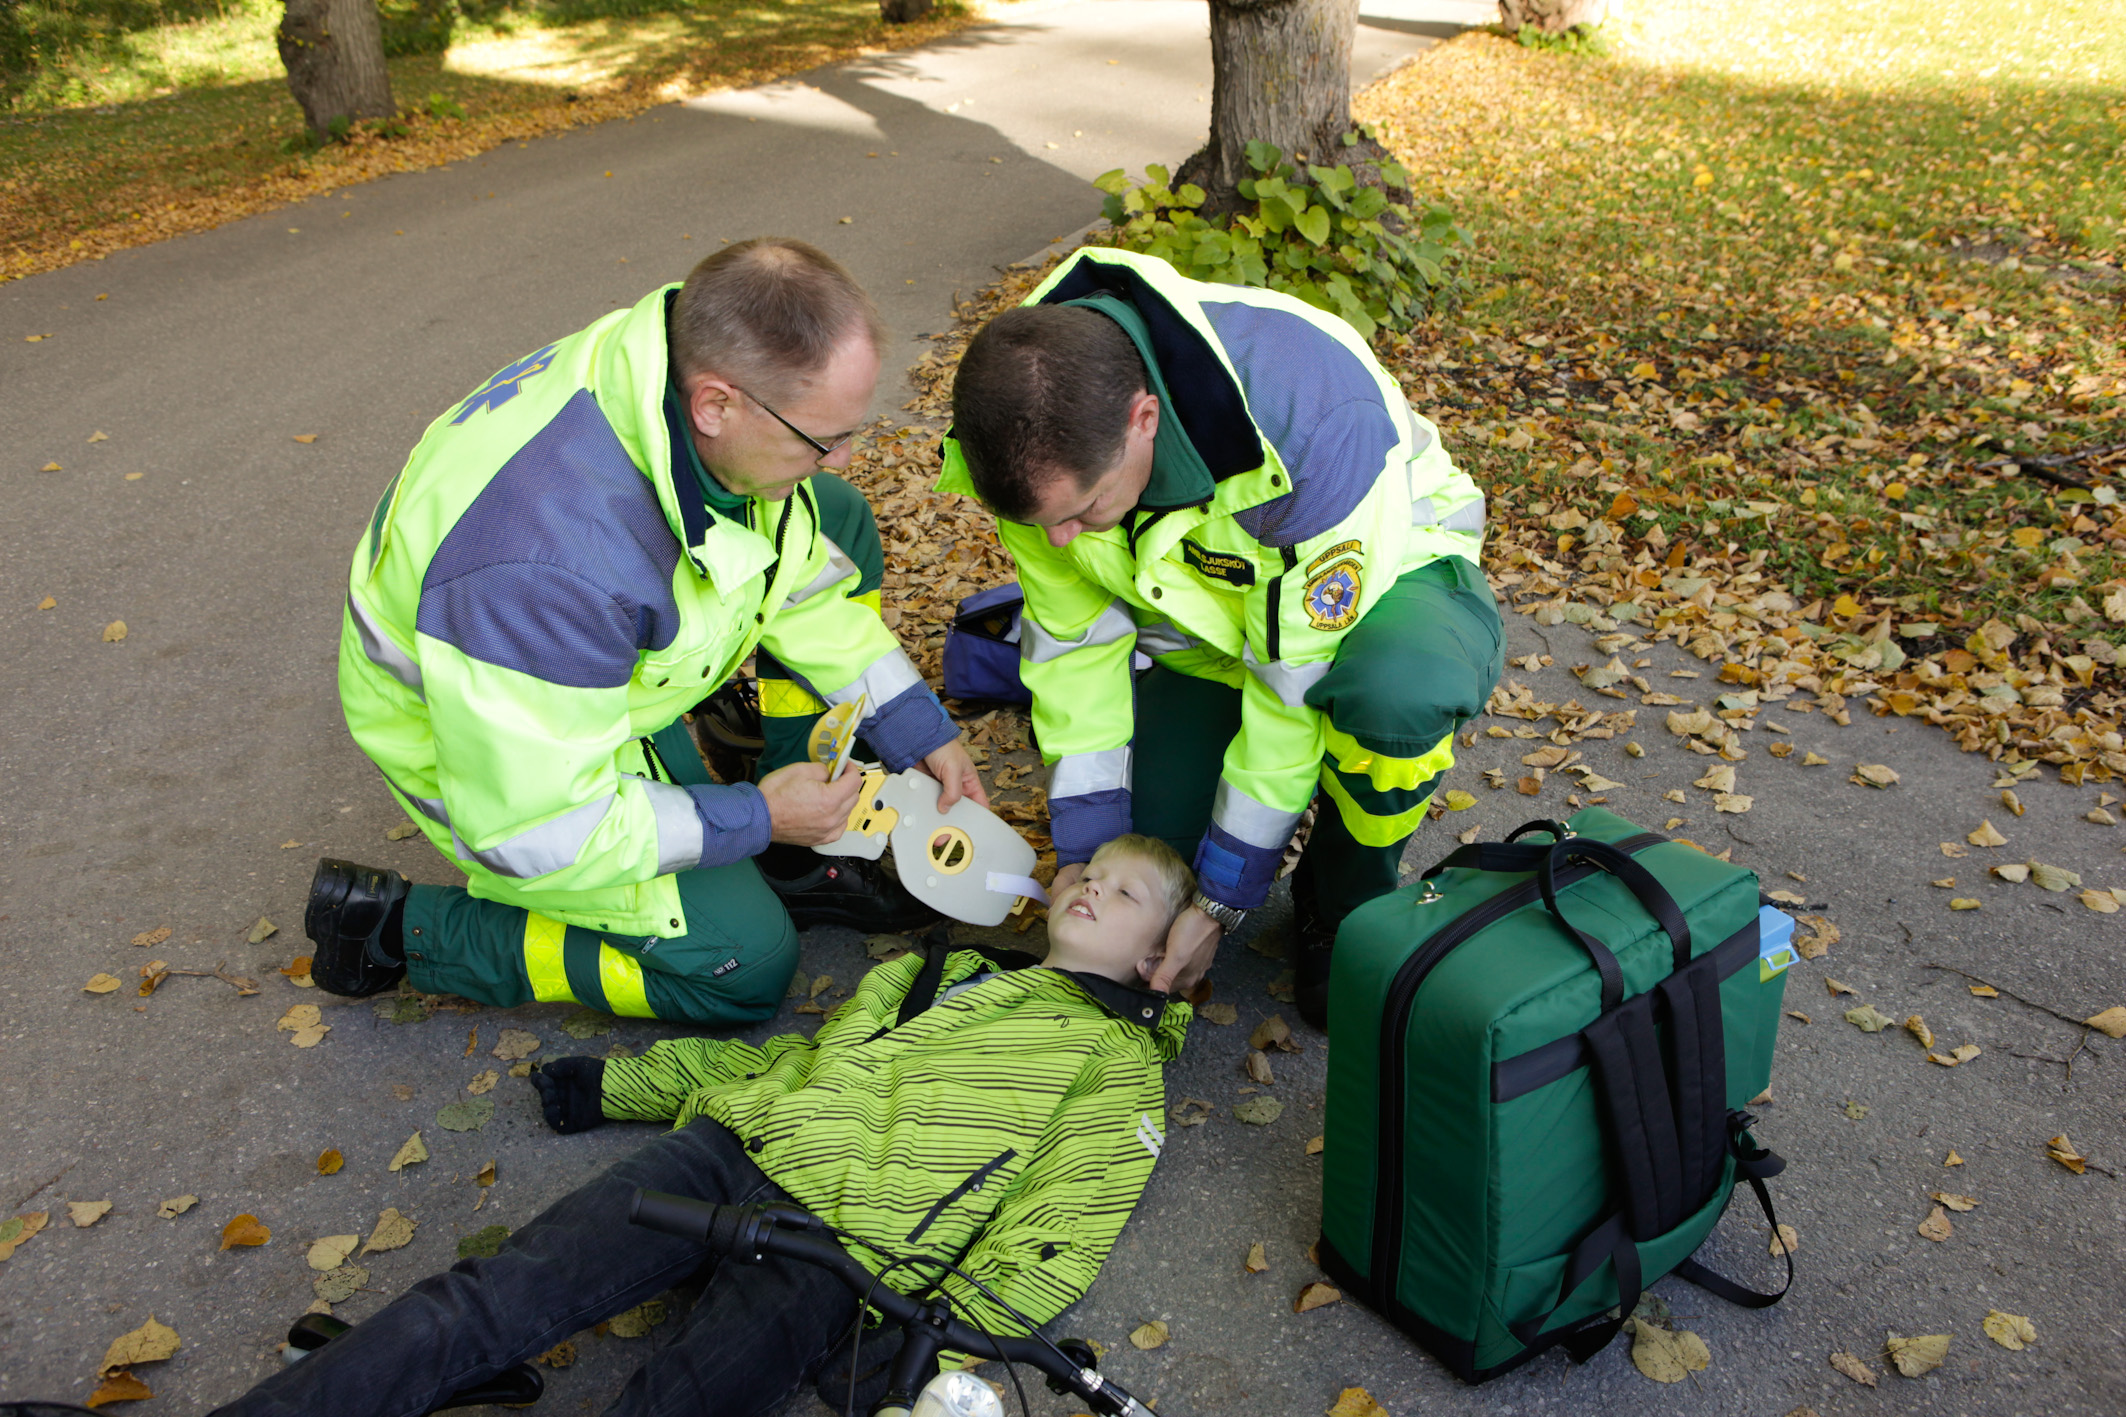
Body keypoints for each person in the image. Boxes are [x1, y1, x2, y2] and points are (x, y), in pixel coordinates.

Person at [211, 835, 1196, 1417]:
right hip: (732, 1152)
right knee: (488, 1299)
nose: (1091, 885)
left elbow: (1062, 1226)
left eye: (1128, 892)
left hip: (841, 1254)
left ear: (1159, 953)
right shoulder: (936, 973)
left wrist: (928, 1353)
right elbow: (801, 1067)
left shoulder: (1118, 1063)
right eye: (1089, 870)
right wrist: (626, 1088)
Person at [309, 238, 986, 1027]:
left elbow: (798, 575)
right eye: (821, 438)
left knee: (832, 517)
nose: (843, 454)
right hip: (507, 769)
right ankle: (403, 930)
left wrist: (914, 726)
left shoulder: (673, 363)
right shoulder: (553, 570)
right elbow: (541, 829)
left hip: (582, 669)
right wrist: (755, 816)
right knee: (743, 966)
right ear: (717, 404)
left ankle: (797, 840)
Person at [940, 246, 1505, 1029]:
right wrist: (1088, 853)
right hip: (1216, 630)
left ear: (1144, 420)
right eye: (1042, 522)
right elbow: (1074, 650)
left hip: (1387, 588)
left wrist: (1226, 896)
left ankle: (1341, 899)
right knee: (1147, 855)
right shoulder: (1028, 420)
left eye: (1083, 510)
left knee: (1390, 700)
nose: (1060, 541)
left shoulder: (1310, 430)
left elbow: (1290, 685)